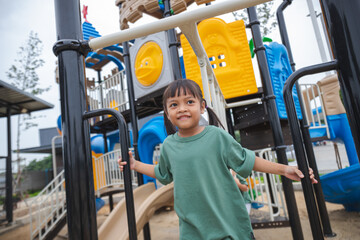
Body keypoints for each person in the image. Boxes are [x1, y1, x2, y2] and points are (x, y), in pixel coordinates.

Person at [118, 79, 317, 240]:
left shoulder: (216, 136)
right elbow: (162, 174)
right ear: (168, 114)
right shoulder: (169, 145)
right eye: (173, 105)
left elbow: (246, 160)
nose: (181, 108)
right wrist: (135, 165)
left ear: (202, 106)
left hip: (227, 222)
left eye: (189, 102)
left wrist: (285, 170)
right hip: (192, 227)